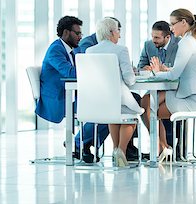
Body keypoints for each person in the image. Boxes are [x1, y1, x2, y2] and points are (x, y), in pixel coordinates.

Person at [35, 16, 108, 163]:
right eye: (77, 33)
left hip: (72, 95)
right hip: (58, 98)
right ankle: (80, 142)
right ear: (66, 33)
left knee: (109, 107)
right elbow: (70, 73)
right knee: (103, 108)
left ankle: (83, 144)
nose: (81, 37)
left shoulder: (72, 50)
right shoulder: (55, 49)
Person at [146, 8, 196, 163]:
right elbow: (182, 70)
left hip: (194, 99)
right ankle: (164, 148)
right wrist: (166, 70)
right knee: (146, 103)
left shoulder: (187, 43)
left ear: (183, 22)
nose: (171, 28)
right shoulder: (193, 40)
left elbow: (175, 75)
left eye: (173, 24)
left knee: (148, 108)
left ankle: (162, 148)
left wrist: (156, 72)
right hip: (193, 95)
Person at [77, 17, 142, 161]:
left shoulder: (89, 51)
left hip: (98, 100)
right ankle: (122, 151)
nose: (119, 35)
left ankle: (114, 149)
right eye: (118, 31)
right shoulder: (121, 50)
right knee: (131, 116)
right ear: (112, 32)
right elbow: (130, 80)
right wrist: (133, 73)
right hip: (118, 98)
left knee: (113, 114)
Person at [138, 21, 180, 147]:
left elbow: (179, 69)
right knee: (145, 104)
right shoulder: (148, 45)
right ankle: (162, 145)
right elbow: (140, 67)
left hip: (175, 88)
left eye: (157, 37)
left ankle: (161, 145)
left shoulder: (179, 45)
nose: (153, 40)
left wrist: (162, 70)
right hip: (156, 88)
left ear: (168, 37)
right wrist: (145, 68)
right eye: (152, 36)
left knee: (149, 105)